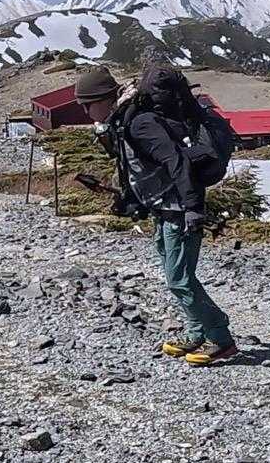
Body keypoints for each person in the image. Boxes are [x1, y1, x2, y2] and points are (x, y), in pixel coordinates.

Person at [72, 65, 239, 366]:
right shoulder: (123, 121)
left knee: (179, 280)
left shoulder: (139, 123)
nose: (85, 112)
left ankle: (221, 338)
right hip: (164, 208)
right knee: (177, 275)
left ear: (105, 99)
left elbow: (177, 163)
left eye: (87, 104)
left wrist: (193, 209)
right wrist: (131, 201)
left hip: (179, 210)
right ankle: (196, 332)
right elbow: (140, 169)